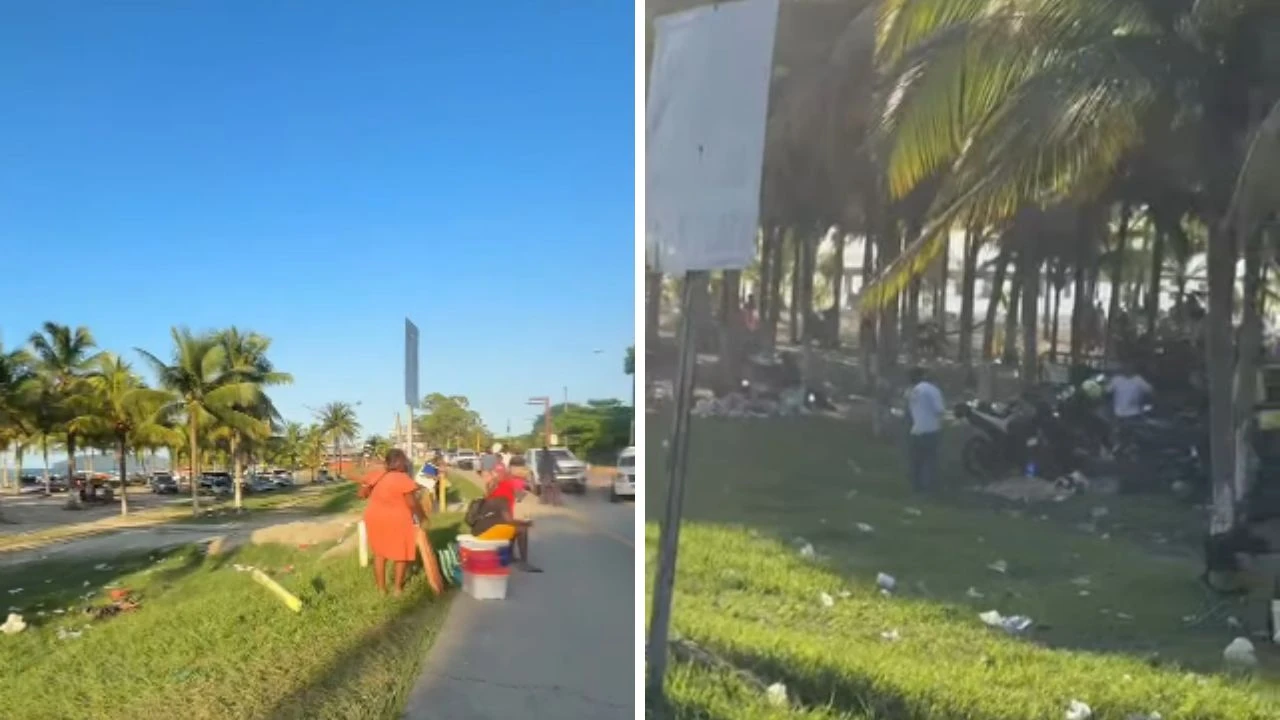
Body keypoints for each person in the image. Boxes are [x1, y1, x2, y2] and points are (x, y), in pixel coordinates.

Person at [359, 449, 427, 596]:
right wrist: (422, 517)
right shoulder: (402, 478)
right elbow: (411, 503)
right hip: (397, 519)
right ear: (400, 463)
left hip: (374, 518)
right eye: (405, 461)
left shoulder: (378, 475)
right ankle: (397, 589)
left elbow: (362, 495)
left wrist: (366, 485)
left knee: (379, 554)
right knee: (401, 553)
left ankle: (381, 589)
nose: (407, 464)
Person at [472, 457, 542, 572]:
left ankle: (510, 555)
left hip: (484, 524)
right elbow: (508, 518)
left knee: (513, 527)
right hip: (488, 527)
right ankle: (524, 562)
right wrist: (526, 523)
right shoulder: (503, 487)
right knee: (521, 529)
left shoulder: (495, 486)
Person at [904, 366, 944, 492]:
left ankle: (916, 487)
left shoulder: (911, 391)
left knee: (916, 461)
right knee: (929, 460)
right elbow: (940, 410)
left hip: (916, 430)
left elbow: (909, 412)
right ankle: (928, 489)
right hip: (931, 430)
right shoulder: (933, 390)